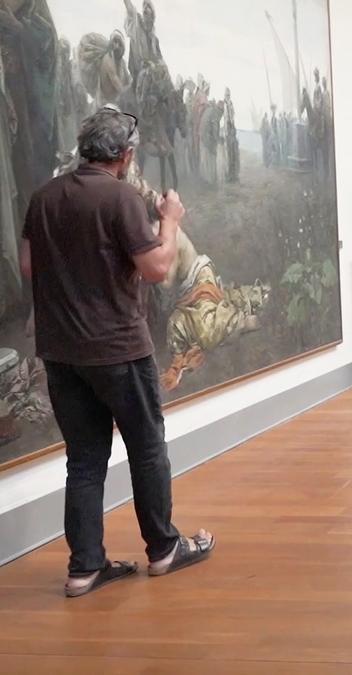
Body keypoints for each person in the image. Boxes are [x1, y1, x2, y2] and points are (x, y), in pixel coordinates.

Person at [18, 108, 215, 598]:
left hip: (62, 354)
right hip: (119, 350)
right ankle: (164, 549)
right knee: (147, 450)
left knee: (84, 460)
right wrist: (169, 220)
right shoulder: (122, 197)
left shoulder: (44, 198)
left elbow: (27, 265)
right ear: (125, 155)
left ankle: (85, 567)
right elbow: (157, 267)